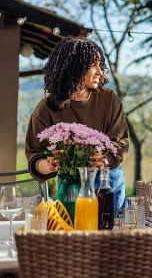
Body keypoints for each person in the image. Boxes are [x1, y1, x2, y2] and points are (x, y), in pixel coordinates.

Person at [25, 37, 129, 212]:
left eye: (100, 65)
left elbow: (121, 143)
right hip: (70, 188)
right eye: (93, 65)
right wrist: (48, 164)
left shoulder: (109, 99)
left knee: (110, 235)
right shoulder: (46, 108)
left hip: (108, 184)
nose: (100, 72)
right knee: (73, 235)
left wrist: (105, 158)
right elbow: (34, 155)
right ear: (73, 67)